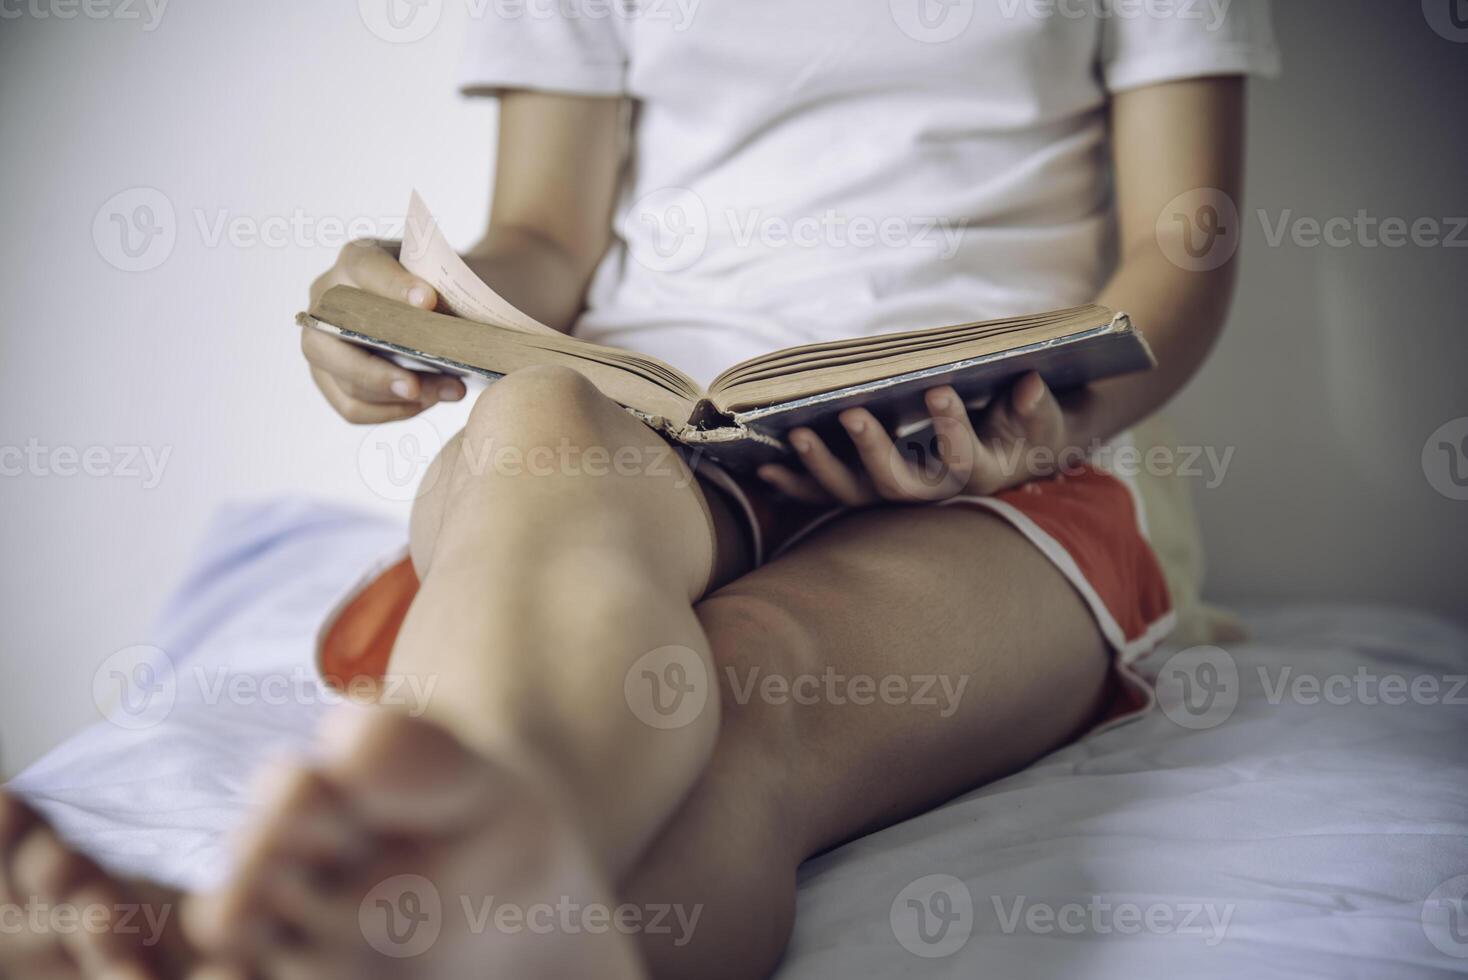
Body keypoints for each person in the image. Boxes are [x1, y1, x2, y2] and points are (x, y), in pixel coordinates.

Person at [0, 2, 1279, 977]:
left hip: (994, 449)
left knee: (737, 685)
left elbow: (1180, 248)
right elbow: (548, 234)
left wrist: (1043, 421)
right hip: (642, 395)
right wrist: (408, 300)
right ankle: (442, 927)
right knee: (543, 423)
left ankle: (367, 942)